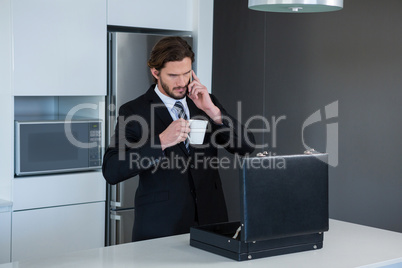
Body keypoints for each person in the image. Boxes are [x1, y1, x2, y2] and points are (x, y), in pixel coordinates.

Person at [102, 36, 255, 242]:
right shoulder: (132, 111)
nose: (182, 82)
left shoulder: (205, 102)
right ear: (155, 72)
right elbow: (112, 170)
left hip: (211, 222)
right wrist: (161, 141)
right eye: (173, 75)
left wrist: (213, 111)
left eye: (186, 73)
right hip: (160, 226)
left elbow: (246, 146)